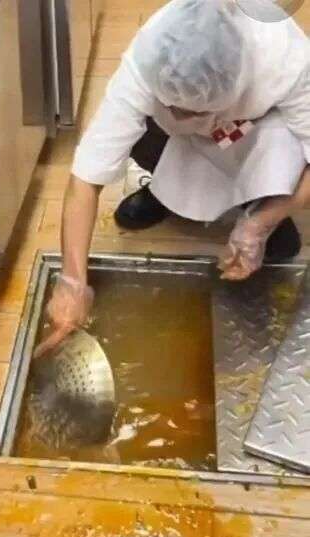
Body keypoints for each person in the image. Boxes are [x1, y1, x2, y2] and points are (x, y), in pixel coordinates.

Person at [34, 0, 310, 358]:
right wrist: (72, 281)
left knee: (288, 153)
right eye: (174, 106)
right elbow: (85, 177)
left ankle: (262, 205)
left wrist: (261, 223)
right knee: (137, 134)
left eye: (196, 110)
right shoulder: (153, 52)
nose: (183, 117)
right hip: (182, 135)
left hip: (252, 132)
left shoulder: (286, 59)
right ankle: (162, 192)